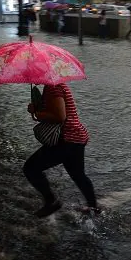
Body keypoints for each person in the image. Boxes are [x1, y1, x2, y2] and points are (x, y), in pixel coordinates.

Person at [24, 83, 99, 218]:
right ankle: (94, 208)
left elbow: (60, 116)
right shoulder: (56, 85)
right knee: (78, 175)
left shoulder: (53, 87)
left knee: (30, 168)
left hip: (67, 139)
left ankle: (51, 201)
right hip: (75, 137)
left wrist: (37, 113)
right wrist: (36, 110)